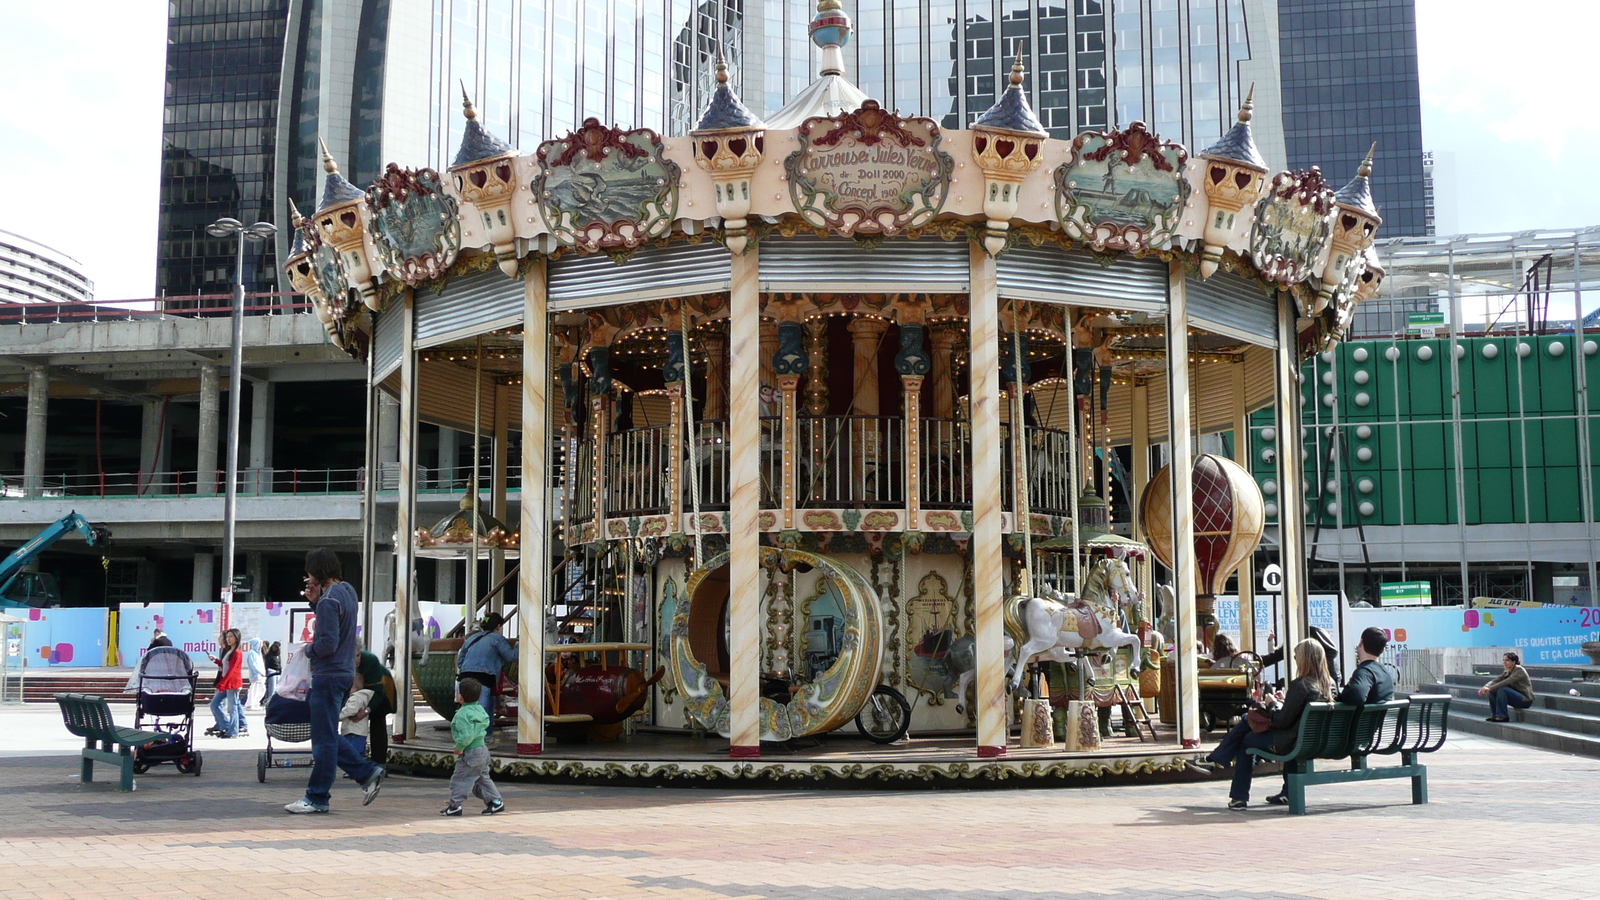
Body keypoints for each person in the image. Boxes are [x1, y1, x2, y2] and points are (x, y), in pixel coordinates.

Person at [285, 548, 385, 815]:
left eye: (309, 571)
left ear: (316, 570)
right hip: (344, 672)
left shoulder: (329, 600)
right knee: (326, 734)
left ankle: (318, 796)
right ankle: (365, 774)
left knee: (323, 740)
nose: (308, 576)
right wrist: (315, 601)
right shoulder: (347, 591)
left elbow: (327, 642)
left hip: (328, 674)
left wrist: (308, 650)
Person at [1196, 637, 1333, 810]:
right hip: (1312, 741)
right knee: (1247, 723)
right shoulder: (1329, 685)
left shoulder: (1301, 685)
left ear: (1304, 659)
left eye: (1297, 656)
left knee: (1246, 740)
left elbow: (1282, 721)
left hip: (1290, 742)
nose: (1296, 660)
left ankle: (1236, 794)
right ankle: (1286, 791)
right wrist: (1284, 703)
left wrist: (1272, 704)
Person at [442, 678, 505, 817]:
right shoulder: (480, 709)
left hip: (470, 751)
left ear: (460, 697)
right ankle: (495, 801)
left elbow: (466, 736)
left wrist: (459, 747)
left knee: (460, 778)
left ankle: (455, 805)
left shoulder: (463, 714)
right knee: (482, 778)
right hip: (482, 749)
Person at [456, 612, 517, 720]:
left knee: (468, 711)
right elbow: (511, 656)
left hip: (464, 679)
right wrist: (518, 646)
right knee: (482, 714)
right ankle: (484, 736)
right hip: (483, 679)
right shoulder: (497, 639)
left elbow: (460, 662)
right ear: (498, 626)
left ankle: (467, 734)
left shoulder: (471, 639)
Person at [356, 650, 396, 764]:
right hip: (357, 691)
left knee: (377, 719)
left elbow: (378, 692)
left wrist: (367, 710)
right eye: (352, 656)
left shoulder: (370, 660)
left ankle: (379, 764)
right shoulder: (341, 659)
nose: (355, 659)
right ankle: (355, 763)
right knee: (353, 726)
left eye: (358, 655)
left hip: (380, 689)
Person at [1338, 627, 1395, 705]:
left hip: (1364, 717)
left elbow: (1357, 697)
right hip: (1383, 717)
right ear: (1383, 650)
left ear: (1361, 643)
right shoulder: (1386, 673)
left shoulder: (1364, 672)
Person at [206, 628, 244, 739]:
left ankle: (233, 732)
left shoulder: (237, 652)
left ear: (237, 638)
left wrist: (222, 684)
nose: (228, 639)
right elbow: (225, 667)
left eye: (231, 637)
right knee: (214, 704)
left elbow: (232, 671)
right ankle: (226, 726)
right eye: (227, 637)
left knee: (232, 709)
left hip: (233, 684)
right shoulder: (229, 651)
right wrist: (216, 660)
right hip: (227, 683)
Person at [1478, 651, 1534, 722]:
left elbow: (1506, 681)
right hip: (1515, 698)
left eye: (1507, 660)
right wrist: (1485, 687)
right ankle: (1495, 715)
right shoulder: (1507, 671)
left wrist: (1489, 688)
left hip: (1525, 700)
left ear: (1513, 662)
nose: (1504, 662)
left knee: (1502, 689)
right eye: (1503, 660)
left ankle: (1503, 716)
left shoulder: (1519, 670)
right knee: (1492, 691)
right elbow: (1495, 680)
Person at [340, 674, 375, 760]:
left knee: (352, 753)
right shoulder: (362, 698)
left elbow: (350, 710)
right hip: (359, 731)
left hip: (353, 731)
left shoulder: (355, 698)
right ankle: (359, 771)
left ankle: (354, 771)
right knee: (358, 753)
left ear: (353, 688)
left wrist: (337, 716)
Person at [243, 639, 267, 710]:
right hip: (256, 676)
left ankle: (256, 703)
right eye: (260, 643)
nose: (262, 645)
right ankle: (250, 704)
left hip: (261, 676)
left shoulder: (258, 653)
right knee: (253, 690)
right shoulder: (252, 653)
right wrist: (259, 672)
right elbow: (253, 665)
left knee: (261, 690)